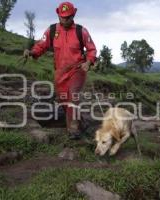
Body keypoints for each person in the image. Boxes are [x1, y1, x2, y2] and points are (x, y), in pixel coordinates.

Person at [23, 2, 97, 139]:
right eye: (62, 17)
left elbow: (92, 50)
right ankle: (84, 124)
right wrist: (32, 53)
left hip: (78, 69)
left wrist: (88, 62)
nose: (65, 20)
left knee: (73, 96)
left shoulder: (81, 31)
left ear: (73, 15)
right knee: (63, 100)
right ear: (58, 15)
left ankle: (73, 130)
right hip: (60, 73)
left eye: (68, 17)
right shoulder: (51, 30)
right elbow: (41, 46)